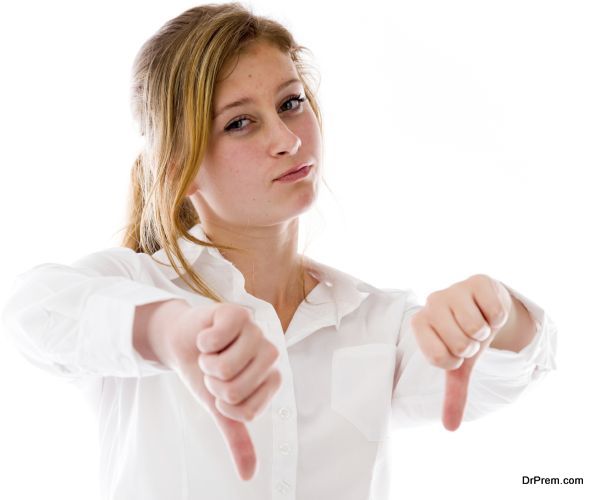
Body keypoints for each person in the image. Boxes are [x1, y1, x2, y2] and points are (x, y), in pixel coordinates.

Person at [1, 3, 557, 499]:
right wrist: (167, 333)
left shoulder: (375, 322)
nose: (287, 138)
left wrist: (499, 314)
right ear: (178, 167)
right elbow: (32, 311)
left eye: (291, 103)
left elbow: (513, 370)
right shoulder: (139, 285)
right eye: (240, 122)